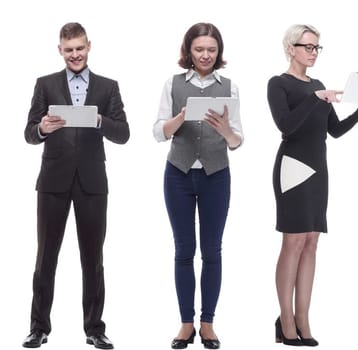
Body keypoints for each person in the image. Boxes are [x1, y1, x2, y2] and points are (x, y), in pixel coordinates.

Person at [267, 24, 358, 347]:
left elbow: (335, 131)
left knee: (312, 241)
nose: (313, 53)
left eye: (317, 48)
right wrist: (315, 99)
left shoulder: (319, 85)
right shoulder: (279, 84)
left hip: (318, 170)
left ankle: (304, 318)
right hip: (292, 168)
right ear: (291, 48)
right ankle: (285, 320)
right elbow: (286, 126)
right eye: (308, 47)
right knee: (293, 242)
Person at [22, 22, 130, 349]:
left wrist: (100, 120)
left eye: (79, 48)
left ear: (89, 47)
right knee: (46, 258)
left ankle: (95, 329)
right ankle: (39, 327)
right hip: (53, 182)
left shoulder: (108, 87)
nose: (74, 54)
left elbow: (123, 133)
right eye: (68, 49)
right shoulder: (46, 84)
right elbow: (28, 133)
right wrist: (41, 127)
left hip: (93, 183)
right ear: (60, 50)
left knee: (93, 259)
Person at [153, 23, 243, 350]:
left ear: (219, 53)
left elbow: (237, 140)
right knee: (183, 251)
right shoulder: (172, 83)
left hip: (216, 174)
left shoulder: (229, 87)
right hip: (177, 173)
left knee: (212, 251)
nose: (205, 55)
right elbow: (157, 131)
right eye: (199, 49)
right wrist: (178, 119)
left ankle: (208, 324)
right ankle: (185, 323)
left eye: (211, 50)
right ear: (188, 51)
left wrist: (225, 130)